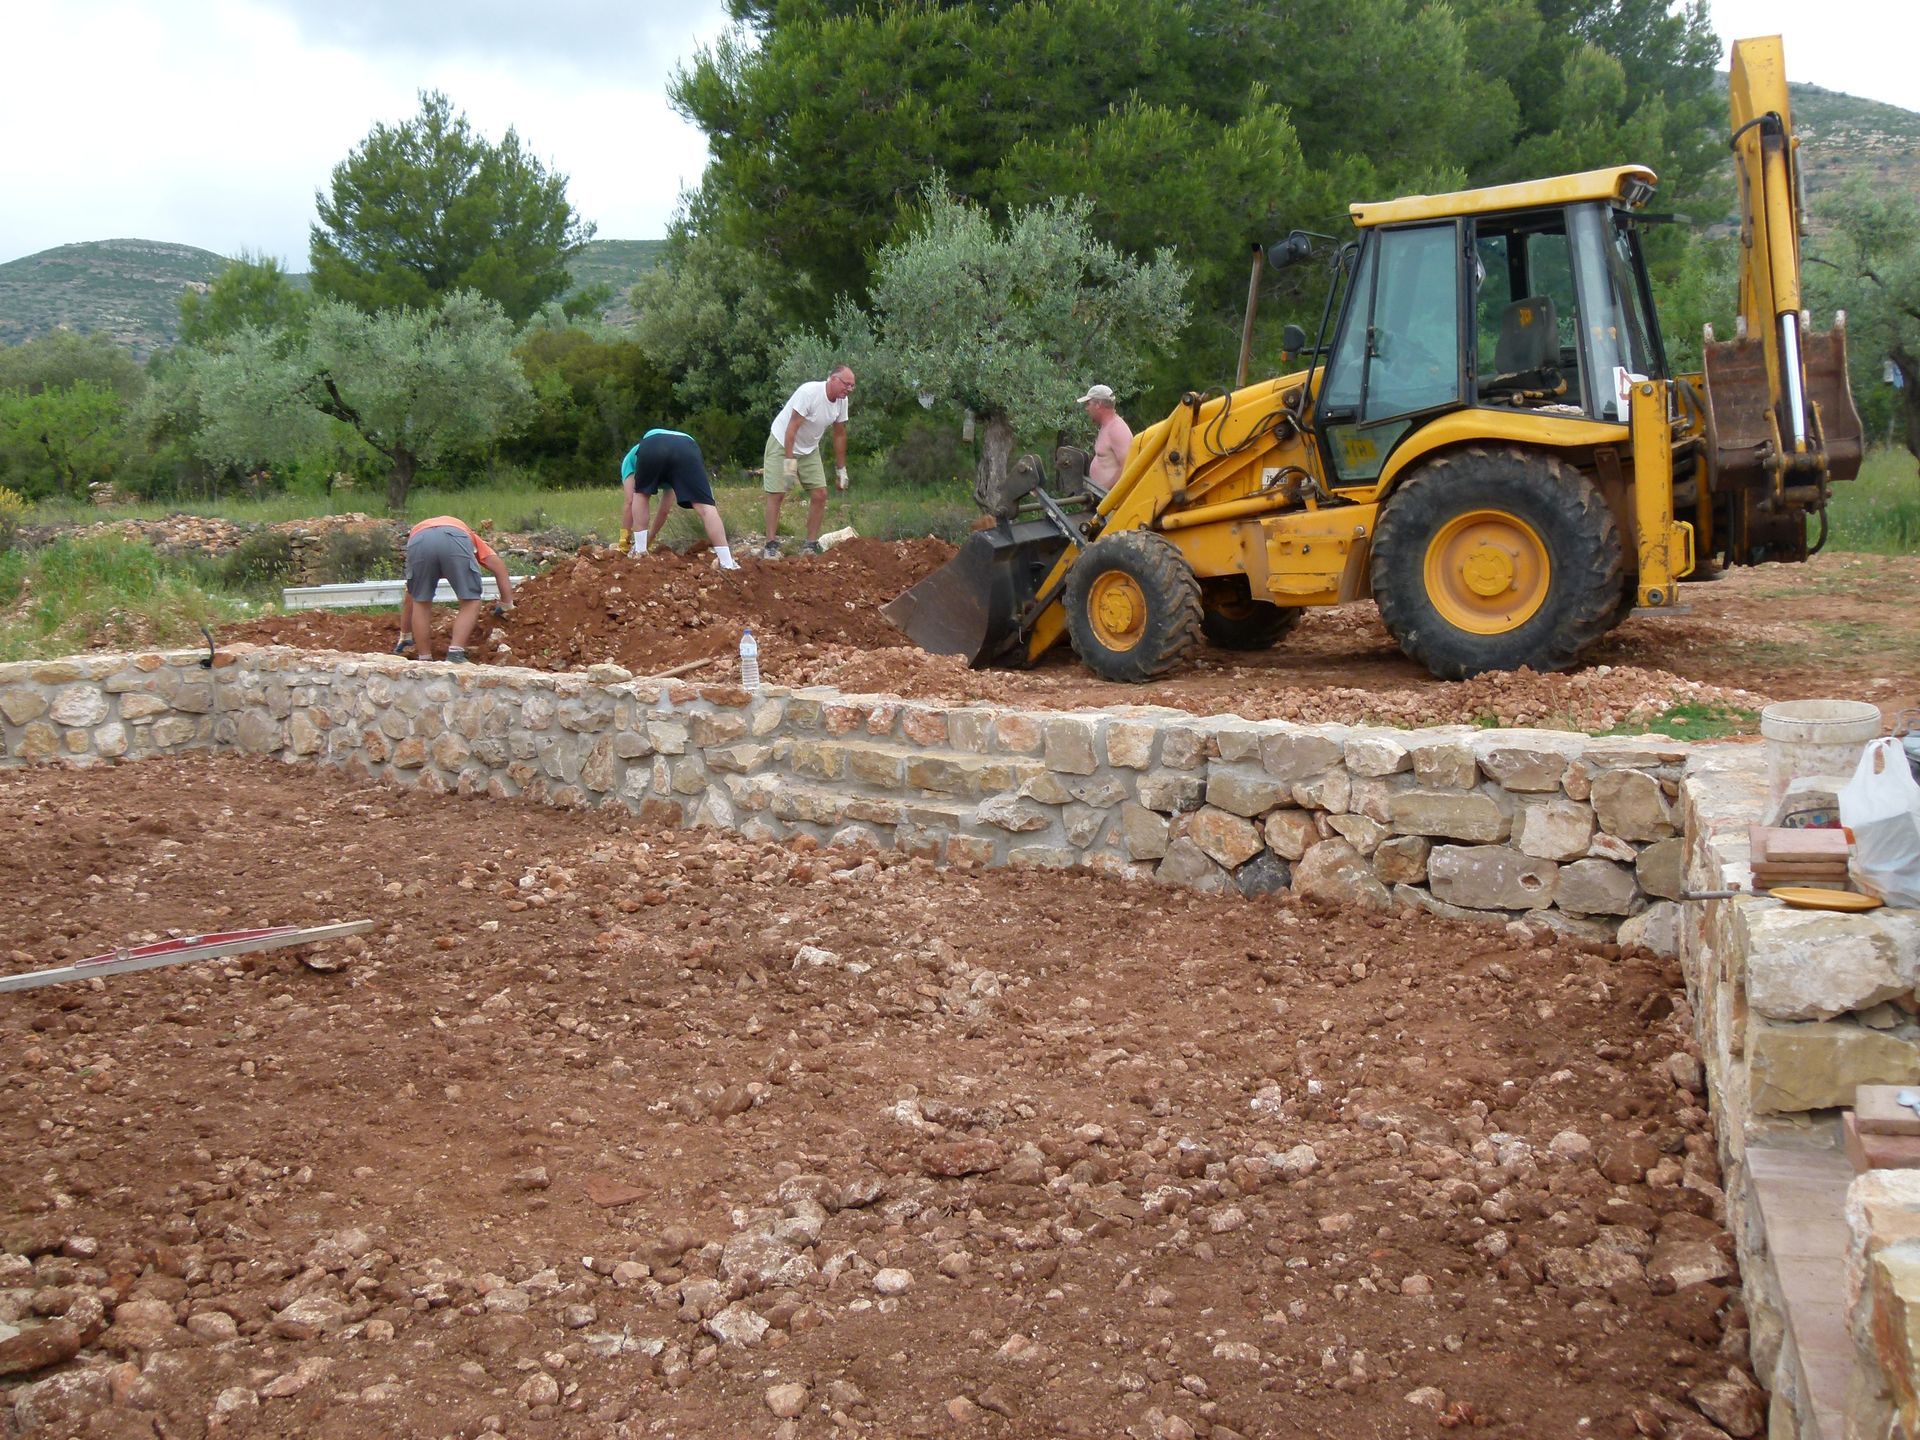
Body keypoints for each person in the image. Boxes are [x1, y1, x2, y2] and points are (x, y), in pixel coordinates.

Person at [394, 515, 516, 664]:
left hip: (419, 540)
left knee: (421, 601)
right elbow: (499, 567)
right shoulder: (469, 535)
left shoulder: (422, 533)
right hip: (454, 536)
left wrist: (405, 636)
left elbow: (411, 596)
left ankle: (424, 659)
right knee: (471, 601)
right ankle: (455, 654)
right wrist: (506, 605)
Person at [762, 365, 855, 557]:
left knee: (820, 494)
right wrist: (789, 468)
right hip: (783, 442)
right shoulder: (809, 392)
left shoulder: (841, 401)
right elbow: (791, 429)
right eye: (846, 384)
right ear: (833, 379)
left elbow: (839, 435)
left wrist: (841, 470)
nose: (849, 389)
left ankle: (810, 544)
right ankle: (770, 544)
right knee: (778, 493)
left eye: (852, 386)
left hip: (809, 449)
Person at [626, 427, 741, 569]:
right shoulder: (671, 471)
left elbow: (631, 500)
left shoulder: (630, 460)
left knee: (641, 494)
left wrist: (626, 540)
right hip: (687, 447)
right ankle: (727, 562)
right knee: (706, 507)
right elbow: (664, 510)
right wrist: (652, 536)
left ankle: (640, 551)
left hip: (653, 445)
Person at [1078, 383, 1134, 498]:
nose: (1087, 408)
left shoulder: (1117, 429)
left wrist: (1104, 492)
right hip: (1103, 501)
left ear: (1098, 404)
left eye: (1088, 404)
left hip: (1113, 503)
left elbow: (1128, 467)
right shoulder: (1107, 426)